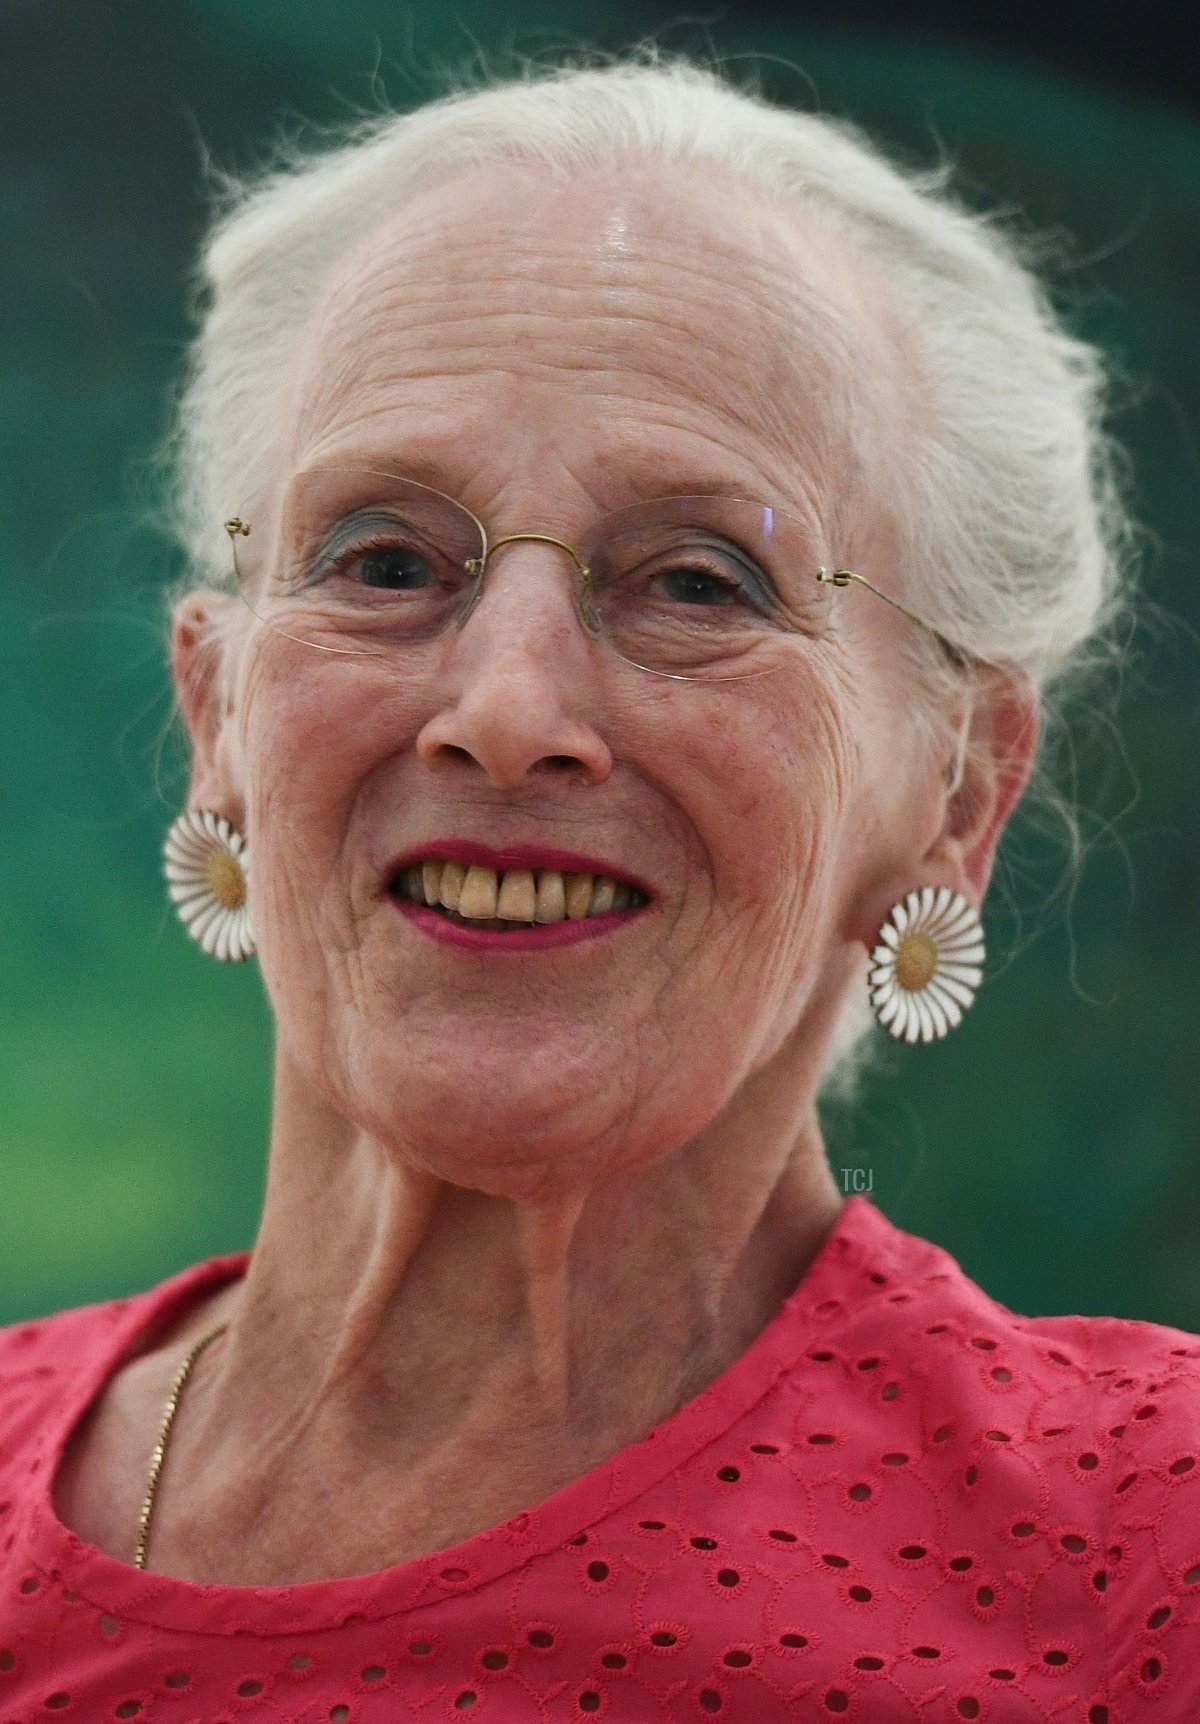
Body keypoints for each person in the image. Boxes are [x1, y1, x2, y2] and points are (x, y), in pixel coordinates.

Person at [1, 55, 1195, 1722]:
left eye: (698, 581)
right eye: (387, 563)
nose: (504, 713)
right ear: (215, 714)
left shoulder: (1146, 1545)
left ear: (955, 793)